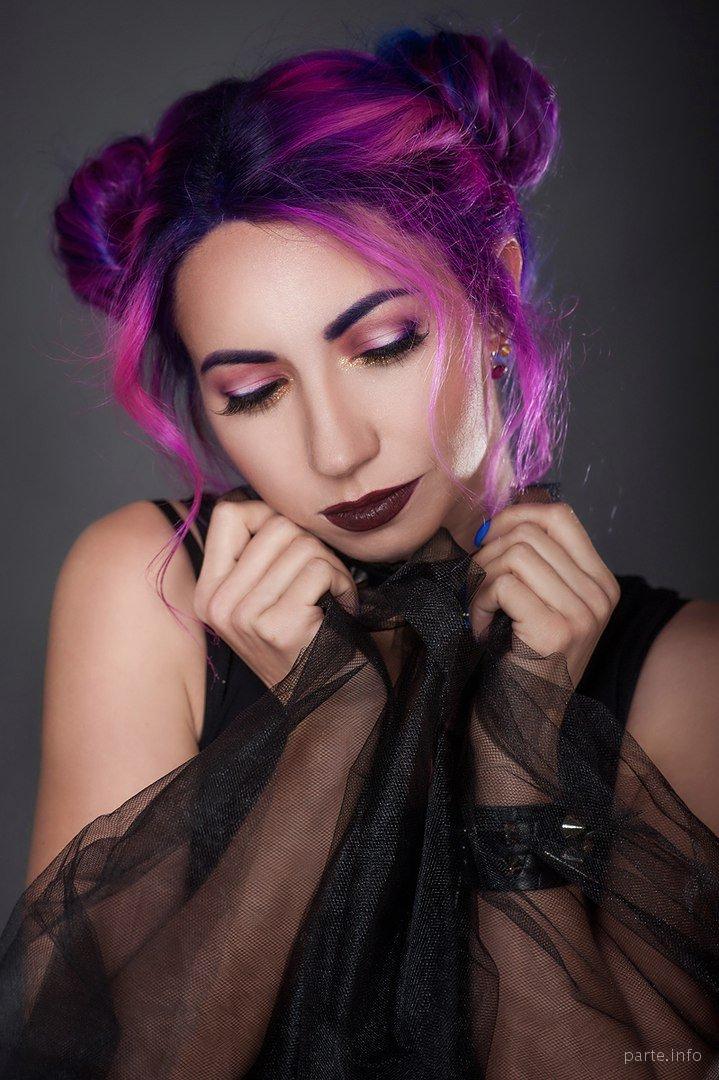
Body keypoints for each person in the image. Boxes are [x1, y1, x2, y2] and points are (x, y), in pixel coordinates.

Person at [1, 25, 717, 1080]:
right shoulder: (145, 585)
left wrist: (514, 766)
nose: (336, 451)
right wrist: (325, 728)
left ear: (494, 299)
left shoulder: (686, 672)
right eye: (254, 391)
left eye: (383, 345)